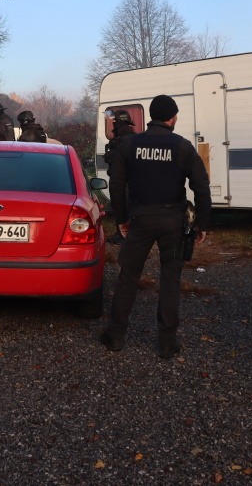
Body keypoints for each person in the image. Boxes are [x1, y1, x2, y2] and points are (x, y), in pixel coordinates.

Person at [99, 94, 212, 359]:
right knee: (170, 280)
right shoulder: (182, 146)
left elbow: (116, 184)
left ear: (151, 116)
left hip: (140, 219)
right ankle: (168, 343)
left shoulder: (129, 144)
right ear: (172, 118)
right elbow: (201, 186)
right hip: (173, 221)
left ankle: (115, 335)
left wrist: (121, 219)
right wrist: (203, 223)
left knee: (128, 276)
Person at [102, 109, 136, 244]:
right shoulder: (127, 137)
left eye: (115, 121)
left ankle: (124, 235)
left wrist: (111, 156)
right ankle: (121, 233)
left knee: (122, 206)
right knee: (120, 206)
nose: (113, 123)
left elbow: (122, 160)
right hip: (125, 179)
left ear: (120, 121)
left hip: (124, 180)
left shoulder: (124, 140)